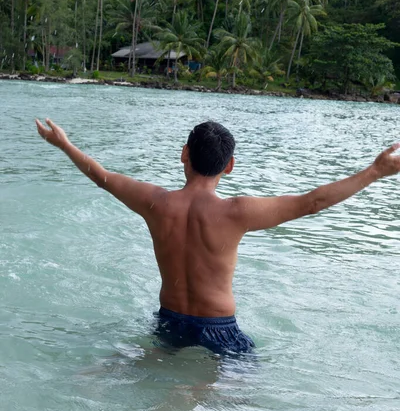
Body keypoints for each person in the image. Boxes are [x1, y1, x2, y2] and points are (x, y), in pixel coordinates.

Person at [35, 118, 400, 355]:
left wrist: (64, 144)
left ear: (184, 155)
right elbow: (312, 202)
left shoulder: (156, 203)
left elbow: (102, 176)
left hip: (169, 323)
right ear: (229, 166)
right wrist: (374, 172)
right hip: (219, 332)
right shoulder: (236, 212)